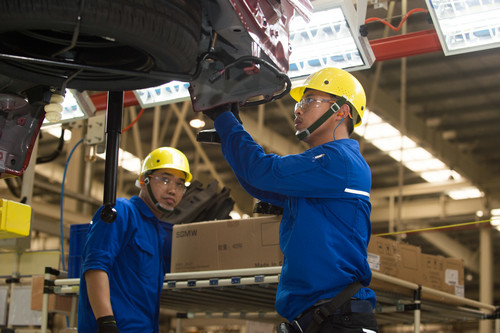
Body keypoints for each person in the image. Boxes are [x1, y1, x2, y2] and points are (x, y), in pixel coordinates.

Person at [202, 67, 378, 332]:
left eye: (309, 101)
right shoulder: (326, 170)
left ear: (341, 111)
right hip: (323, 316)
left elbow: (261, 172)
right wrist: (230, 129)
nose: (297, 109)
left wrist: (225, 120)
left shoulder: (336, 160)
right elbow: (257, 183)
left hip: (337, 318)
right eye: (299, 102)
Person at [77, 147, 192, 333]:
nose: (172, 190)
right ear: (143, 180)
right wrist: (106, 322)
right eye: (164, 179)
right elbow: (95, 266)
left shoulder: (157, 233)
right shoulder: (121, 211)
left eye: (180, 184)